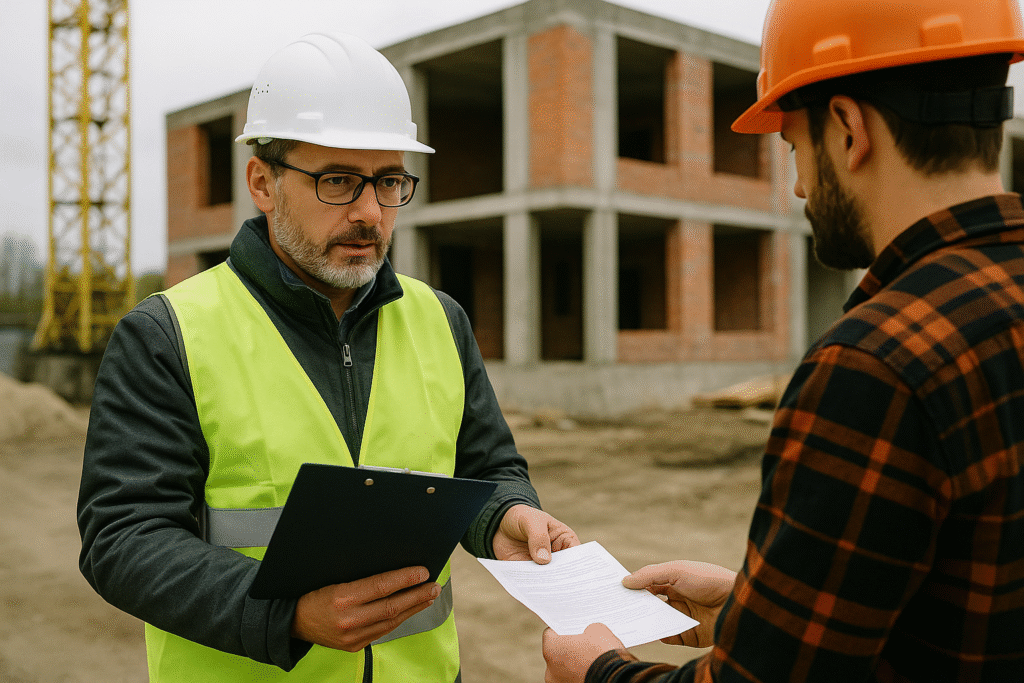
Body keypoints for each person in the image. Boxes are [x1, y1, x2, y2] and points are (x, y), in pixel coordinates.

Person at [543, 0, 1024, 681]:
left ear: (849, 128)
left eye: (795, 147)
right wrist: (757, 611)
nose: (797, 186)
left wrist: (595, 670)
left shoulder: (875, 365)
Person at [78, 32, 578, 683]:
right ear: (263, 183)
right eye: (338, 181)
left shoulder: (440, 319)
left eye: (389, 181)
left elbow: (486, 465)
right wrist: (286, 613)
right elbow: (123, 538)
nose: (370, 212)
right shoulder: (167, 334)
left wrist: (503, 514)